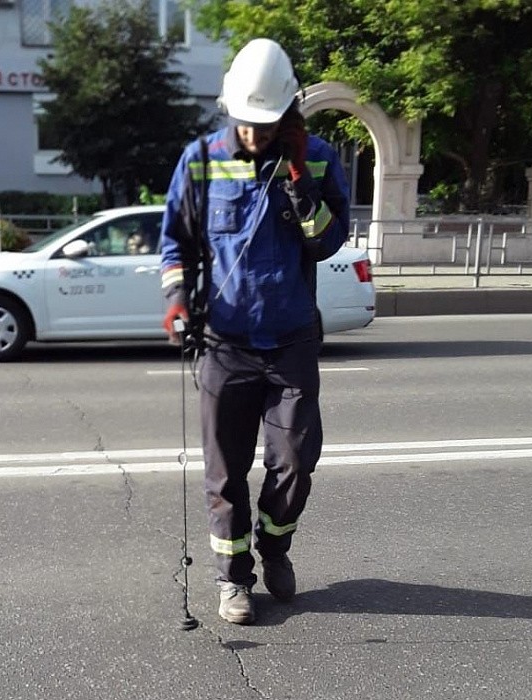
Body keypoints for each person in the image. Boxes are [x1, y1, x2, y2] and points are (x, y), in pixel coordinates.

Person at [159, 38, 350, 625]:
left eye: (267, 125)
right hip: (225, 345)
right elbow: (176, 244)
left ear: (288, 113)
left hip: (291, 340)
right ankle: (233, 580)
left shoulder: (315, 158)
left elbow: (329, 241)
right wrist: (175, 303)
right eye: (246, 123)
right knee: (223, 474)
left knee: (294, 462)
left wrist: (300, 186)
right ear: (230, 111)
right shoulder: (199, 159)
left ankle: (275, 546)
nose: (255, 134)